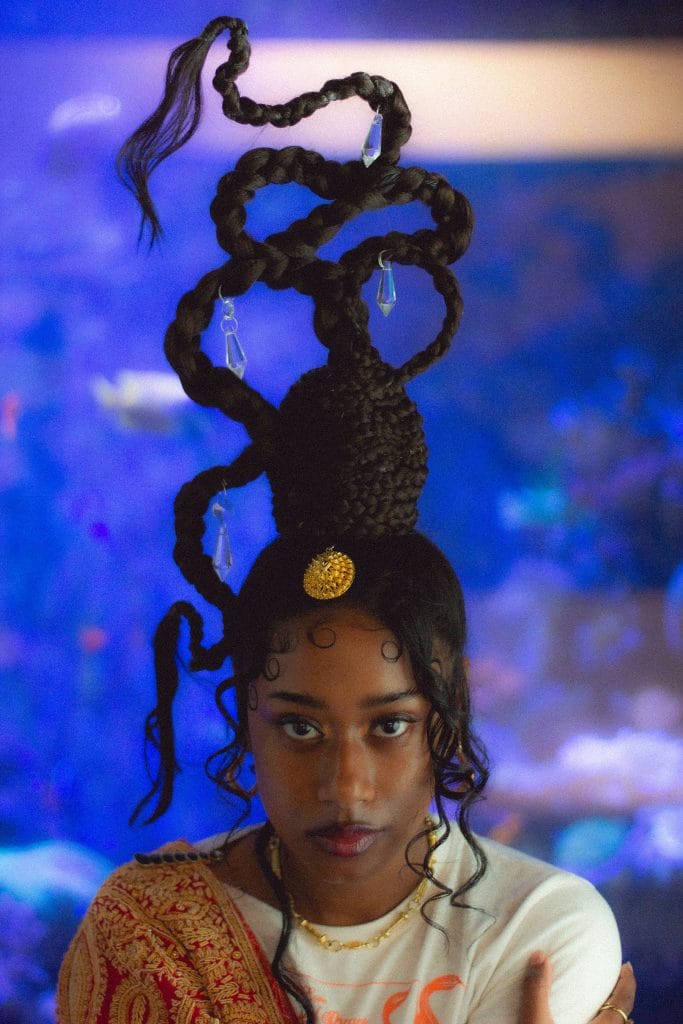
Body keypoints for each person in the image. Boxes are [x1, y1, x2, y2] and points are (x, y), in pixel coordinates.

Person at [57, 17, 636, 1024]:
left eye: (390, 724)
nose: (345, 782)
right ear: (240, 710)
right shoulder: (143, 931)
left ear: (446, 709)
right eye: (296, 725)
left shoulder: (542, 926)